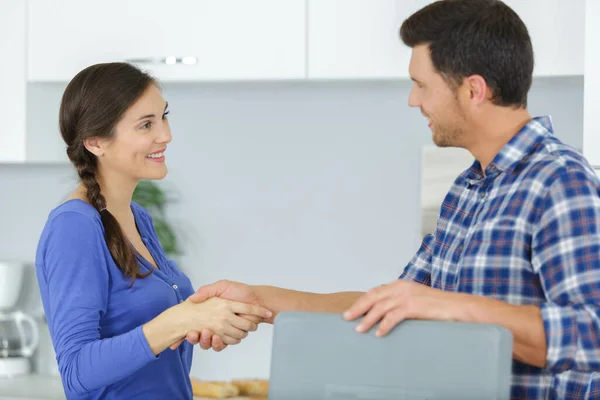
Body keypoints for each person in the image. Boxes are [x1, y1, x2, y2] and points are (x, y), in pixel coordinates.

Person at [177, 0, 600, 398]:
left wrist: (450, 307)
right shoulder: (468, 191)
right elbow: (394, 306)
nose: (413, 99)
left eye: (421, 84)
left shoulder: (559, 180)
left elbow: (591, 335)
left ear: (474, 90)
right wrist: (263, 300)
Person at [34, 62, 272, 400]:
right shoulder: (74, 227)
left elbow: (150, 331)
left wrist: (207, 318)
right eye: (146, 124)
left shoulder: (137, 218)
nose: (166, 134)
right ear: (96, 142)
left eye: (163, 116)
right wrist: (180, 320)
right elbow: (76, 371)